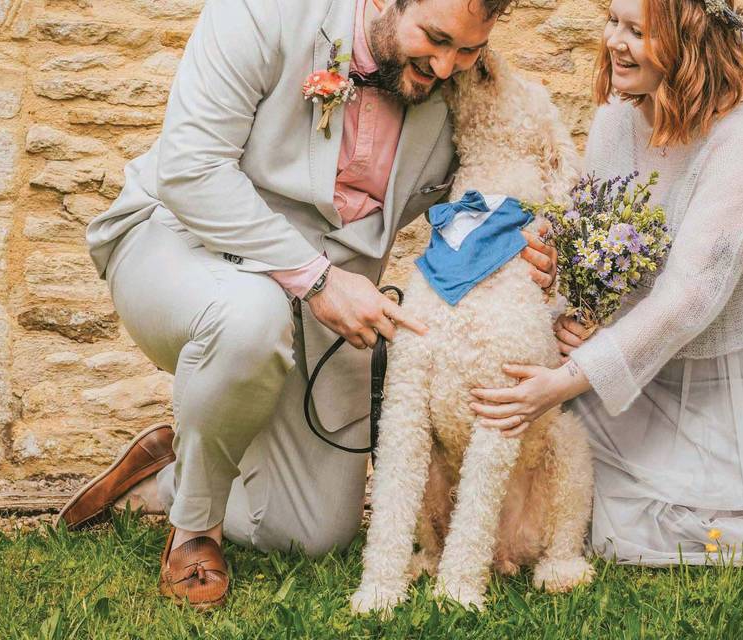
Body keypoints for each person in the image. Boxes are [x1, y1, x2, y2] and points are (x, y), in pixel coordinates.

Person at [58, 0, 558, 609]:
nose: (447, 66)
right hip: (179, 242)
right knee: (248, 317)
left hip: (321, 294)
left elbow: (496, 178)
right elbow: (190, 170)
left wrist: (529, 243)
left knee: (311, 534)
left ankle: (173, 464)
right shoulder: (261, 11)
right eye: (435, 38)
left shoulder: (453, 86)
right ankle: (194, 530)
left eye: (469, 51)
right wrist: (318, 281)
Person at [470, 0, 743, 565]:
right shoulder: (621, 113)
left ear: (691, 43)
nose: (616, 41)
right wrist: (567, 284)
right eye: (614, 21)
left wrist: (565, 381)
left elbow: (693, 294)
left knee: (646, 520)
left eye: (638, 31)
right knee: (559, 461)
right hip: (663, 353)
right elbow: (600, 231)